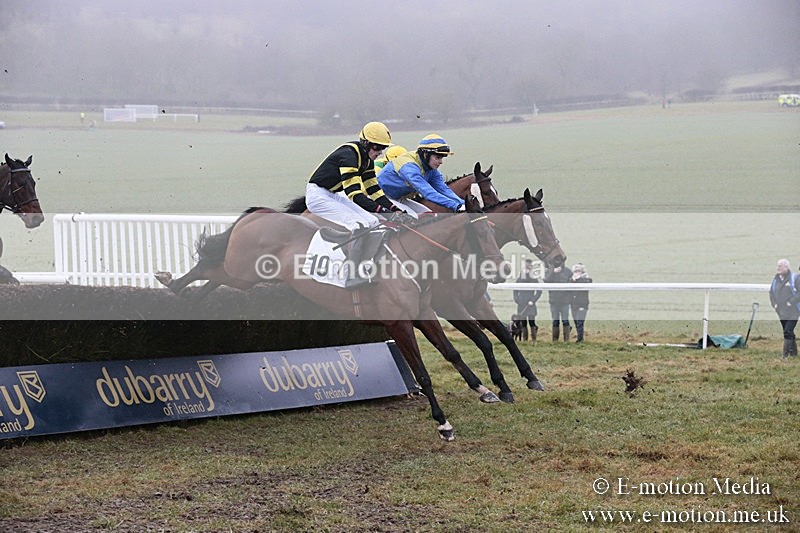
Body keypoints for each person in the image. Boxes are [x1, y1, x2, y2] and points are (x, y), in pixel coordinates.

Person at [305, 121, 413, 288]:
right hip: (317, 195)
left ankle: (366, 267)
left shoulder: (367, 160)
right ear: (366, 143)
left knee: (373, 222)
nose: (380, 152)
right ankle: (351, 275)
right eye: (378, 147)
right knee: (359, 224)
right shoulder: (349, 156)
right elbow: (355, 194)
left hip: (333, 194)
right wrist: (382, 210)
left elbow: (374, 190)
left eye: (383, 148)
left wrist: (394, 209)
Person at [377, 134, 464, 217]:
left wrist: (462, 203)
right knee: (412, 219)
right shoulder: (409, 166)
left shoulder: (431, 170)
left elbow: (444, 190)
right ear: (426, 155)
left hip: (399, 198)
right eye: (438, 157)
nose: (441, 162)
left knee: (430, 215)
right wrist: (456, 206)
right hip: (380, 197)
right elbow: (428, 193)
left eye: (442, 158)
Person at [769, 258, 799, 358]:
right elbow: (771, 292)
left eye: (780, 266)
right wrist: (774, 304)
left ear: (787, 267)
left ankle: (785, 355)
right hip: (781, 311)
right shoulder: (776, 279)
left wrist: (791, 301)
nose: (778, 268)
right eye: (778, 266)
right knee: (788, 331)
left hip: (793, 310)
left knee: (788, 331)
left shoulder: (795, 278)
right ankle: (794, 354)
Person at [512, 259, 542, 342]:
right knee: (523, 322)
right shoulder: (520, 278)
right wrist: (516, 299)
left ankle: (534, 340)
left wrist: (533, 301)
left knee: (531, 322)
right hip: (521, 303)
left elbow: (539, 291)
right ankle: (525, 339)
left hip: (530, 304)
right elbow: (515, 290)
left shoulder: (534, 279)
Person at [544, 263, 572, 341]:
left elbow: (571, 285)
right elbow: (546, 281)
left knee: (565, 320)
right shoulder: (549, 271)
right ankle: (555, 340)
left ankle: (566, 340)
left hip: (565, 301)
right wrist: (553, 272)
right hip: (554, 301)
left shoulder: (568, 271)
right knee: (555, 320)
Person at [569, 263, 592, 343]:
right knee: (576, 321)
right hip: (573, 304)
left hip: (582, 304)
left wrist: (578, 280)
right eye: (575, 271)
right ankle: (579, 336)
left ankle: (580, 339)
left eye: (579, 271)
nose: (577, 273)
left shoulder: (586, 279)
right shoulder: (571, 280)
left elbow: (588, 283)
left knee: (580, 321)